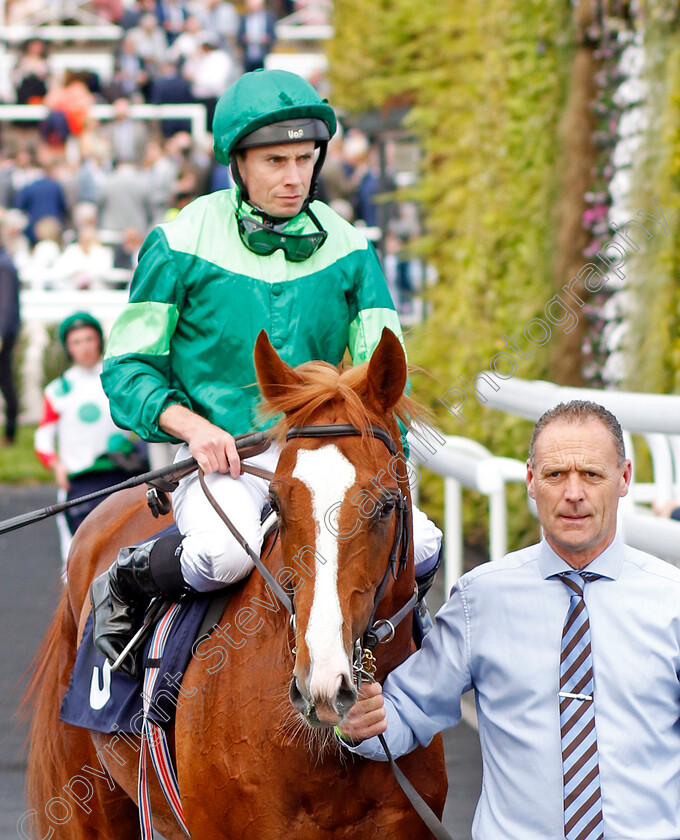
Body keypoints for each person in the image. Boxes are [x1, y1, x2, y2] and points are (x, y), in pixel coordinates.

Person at [92, 68, 442, 677]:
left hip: (321, 458)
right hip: (227, 460)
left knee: (426, 545)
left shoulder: (352, 250)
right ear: (238, 164)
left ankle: (396, 653)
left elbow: (383, 377)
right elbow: (127, 369)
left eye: (305, 159)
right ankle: (130, 577)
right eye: (275, 160)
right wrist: (195, 428)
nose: (293, 177)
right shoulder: (178, 243)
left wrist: (387, 464)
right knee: (228, 555)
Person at [338, 400, 680, 839]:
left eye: (592, 474)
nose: (573, 493)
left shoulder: (671, 601)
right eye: (556, 474)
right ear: (532, 481)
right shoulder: (479, 600)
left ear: (624, 478)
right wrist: (359, 723)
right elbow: (406, 710)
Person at [34, 313, 146, 554]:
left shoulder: (116, 382)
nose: (84, 347)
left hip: (119, 478)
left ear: (99, 341)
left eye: (89, 339)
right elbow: (43, 437)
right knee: (76, 555)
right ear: (68, 348)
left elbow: (138, 423)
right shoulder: (58, 390)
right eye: (76, 342)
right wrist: (56, 465)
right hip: (78, 484)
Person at [0, 241, 20, 447]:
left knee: (6, 383)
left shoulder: (4, 265)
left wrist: (1, 334)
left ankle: (10, 433)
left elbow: (5, 304)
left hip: (3, 334)